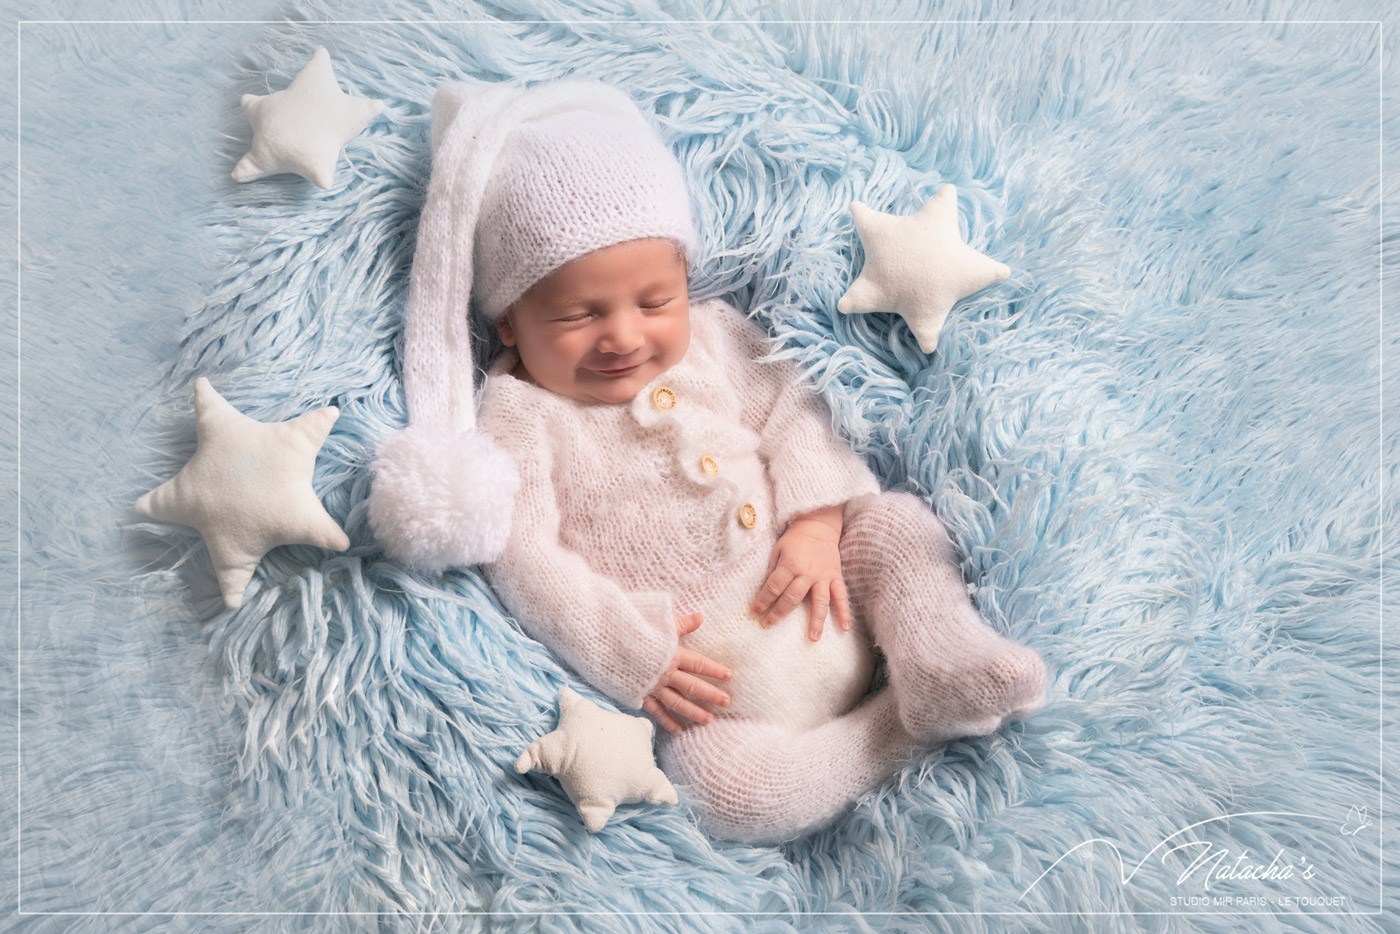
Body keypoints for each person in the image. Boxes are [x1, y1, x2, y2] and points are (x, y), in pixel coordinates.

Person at [368, 78, 1049, 846]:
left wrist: (818, 524)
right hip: (715, 688)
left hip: (825, 581)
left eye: (655, 301)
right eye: (581, 314)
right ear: (511, 325)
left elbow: (795, 410)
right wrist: (634, 656)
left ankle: (940, 656)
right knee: (727, 796)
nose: (623, 336)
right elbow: (528, 558)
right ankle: (896, 726)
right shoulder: (522, 414)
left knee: (894, 526)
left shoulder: (717, 337)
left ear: (686, 282)